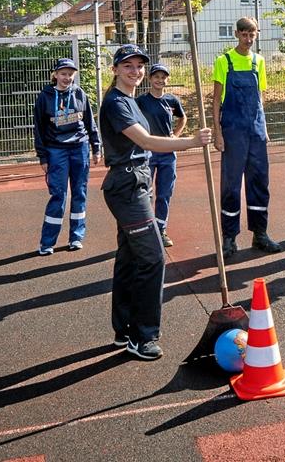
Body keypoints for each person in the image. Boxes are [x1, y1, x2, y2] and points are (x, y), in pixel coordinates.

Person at [99, 44, 212, 360]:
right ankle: (143, 336)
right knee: (152, 258)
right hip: (126, 187)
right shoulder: (116, 103)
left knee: (129, 258)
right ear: (115, 70)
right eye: (127, 66)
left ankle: (123, 330)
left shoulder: (132, 101)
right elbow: (146, 142)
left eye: (138, 66)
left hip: (138, 181)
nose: (134, 71)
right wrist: (190, 142)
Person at [212, 17, 282, 258]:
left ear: (257, 34)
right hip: (232, 131)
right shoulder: (224, 61)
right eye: (244, 34)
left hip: (256, 131)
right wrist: (217, 133)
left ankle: (260, 234)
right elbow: (215, 101)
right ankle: (229, 238)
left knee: (260, 182)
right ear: (236, 34)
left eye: (252, 34)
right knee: (231, 185)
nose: (248, 39)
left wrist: (264, 129)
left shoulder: (259, 61)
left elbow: (261, 97)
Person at [33, 57, 101, 255]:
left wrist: (96, 147)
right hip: (56, 151)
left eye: (70, 74)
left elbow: (90, 121)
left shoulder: (80, 94)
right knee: (58, 195)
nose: (67, 77)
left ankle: (76, 237)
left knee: (80, 192)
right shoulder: (44, 97)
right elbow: (38, 129)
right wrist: (43, 157)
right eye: (63, 73)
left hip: (79, 148)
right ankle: (47, 242)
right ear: (55, 75)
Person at [136, 63, 187, 248]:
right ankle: (146, 229)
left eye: (163, 77)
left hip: (168, 153)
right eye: (156, 77)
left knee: (164, 194)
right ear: (150, 79)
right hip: (148, 152)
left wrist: (176, 135)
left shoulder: (172, 100)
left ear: (168, 79)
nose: (160, 80)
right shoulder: (141, 100)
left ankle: (161, 229)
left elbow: (183, 118)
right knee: (146, 193)